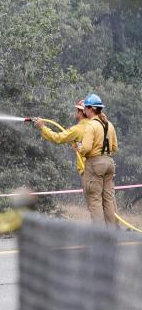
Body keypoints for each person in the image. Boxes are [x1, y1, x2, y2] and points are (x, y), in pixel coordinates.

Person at [32, 94, 119, 227]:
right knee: (108, 200)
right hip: (109, 163)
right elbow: (114, 148)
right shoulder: (108, 124)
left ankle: (101, 236)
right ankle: (114, 232)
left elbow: (60, 139)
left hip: (93, 167)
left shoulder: (86, 126)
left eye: (80, 109)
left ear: (87, 110)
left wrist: (42, 127)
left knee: (94, 201)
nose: (79, 112)